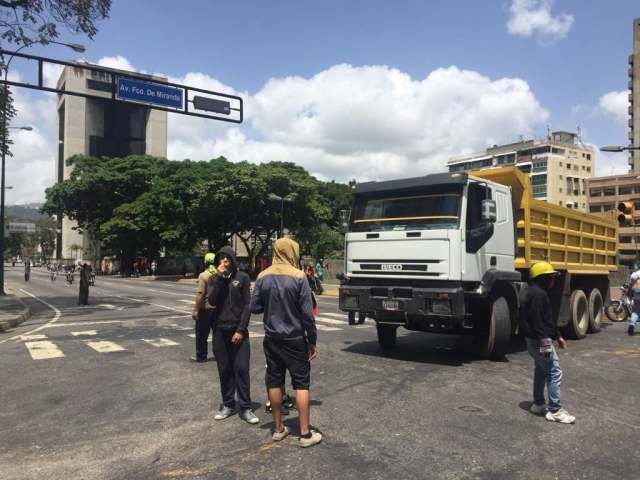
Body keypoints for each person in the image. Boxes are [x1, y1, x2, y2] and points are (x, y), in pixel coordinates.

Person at [251, 238, 322, 448]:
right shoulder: (300, 277)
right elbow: (308, 315)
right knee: (301, 383)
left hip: (272, 338)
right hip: (295, 339)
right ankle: (305, 433)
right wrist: (312, 340)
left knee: (274, 380)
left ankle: (278, 428)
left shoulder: (262, 277)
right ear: (292, 252)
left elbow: (254, 307)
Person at [207, 246, 258, 424]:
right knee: (225, 369)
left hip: (238, 331)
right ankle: (228, 403)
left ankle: (245, 407)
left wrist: (240, 330)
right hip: (220, 330)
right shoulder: (214, 278)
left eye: (227, 259)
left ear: (233, 260)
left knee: (241, 369)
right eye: (221, 259)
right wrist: (220, 279)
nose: (224, 262)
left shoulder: (242, 278)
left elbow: (247, 306)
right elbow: (212, 300)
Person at [519, 261, 575, 424]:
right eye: (550, 277)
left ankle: (538, 403)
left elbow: (545, 319)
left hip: (533, 339)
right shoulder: (538, 295)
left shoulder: (532, 291)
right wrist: (546, 343)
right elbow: (538, 321)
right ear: (542, 278)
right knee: (554, 371)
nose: (553, 280)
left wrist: (558, 336)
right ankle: (555, 410)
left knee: (541, 370)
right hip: (539, 340)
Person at [191, 253, 217, 363]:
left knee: (202, 334)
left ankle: (201, 356)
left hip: (205, 309)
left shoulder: (203, 275)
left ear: (205, 262)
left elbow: (201, 294)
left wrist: (195, 309)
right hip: (218, 309)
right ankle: (220, 355)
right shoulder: (220, 274)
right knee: (217, 334)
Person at [626, 268, 640, 336]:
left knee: (635, 311)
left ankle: (632, 324)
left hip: (637, 294)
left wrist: (629, 292)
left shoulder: (635, 274)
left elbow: (630, 284)